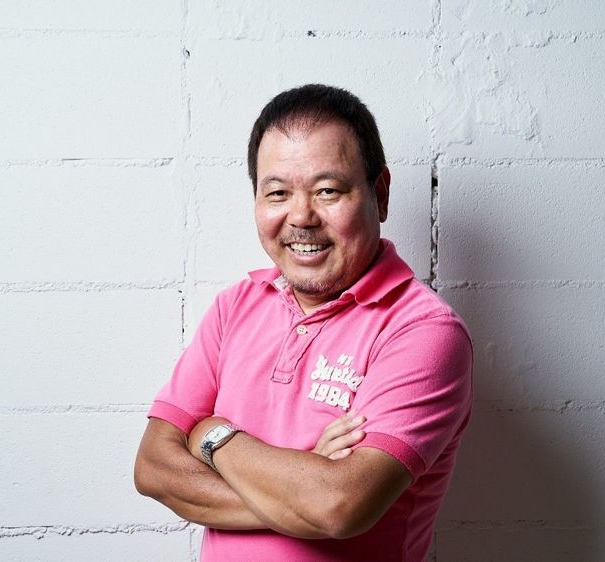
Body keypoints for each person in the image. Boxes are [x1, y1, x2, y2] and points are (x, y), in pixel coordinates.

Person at [134, 84, 473, 561]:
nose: (301, 216)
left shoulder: (424, 332)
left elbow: (339, 505)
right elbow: (153, 469)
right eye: (277, 193)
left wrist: (212, 435)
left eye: (327, 191)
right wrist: (302, 487)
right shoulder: (235, 306)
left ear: (379, 193)